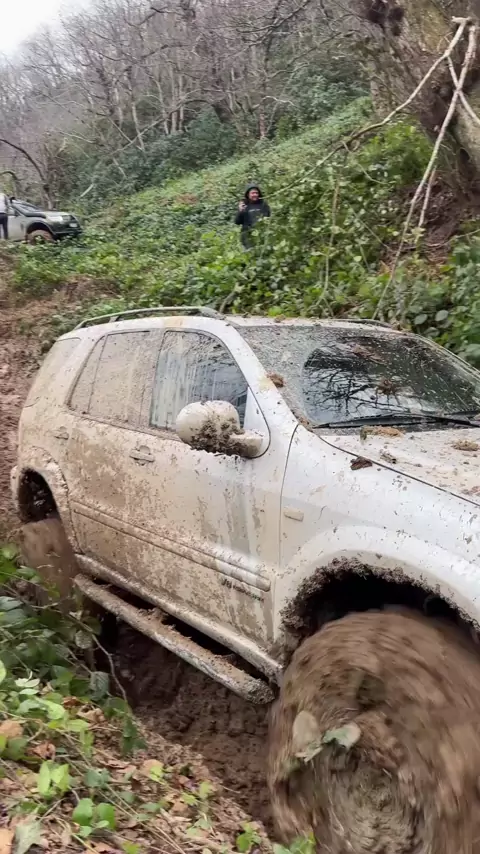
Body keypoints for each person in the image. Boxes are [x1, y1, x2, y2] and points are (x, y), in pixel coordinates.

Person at [235, 183, 270, 248]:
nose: (255, 195)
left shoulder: (263, 204)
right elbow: (237, 222)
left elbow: (268, 217)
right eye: (253, 193)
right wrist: (240, 211)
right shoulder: (244, 205)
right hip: (247, 236)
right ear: (248, 194)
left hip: (261, 234)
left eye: (256, 193)